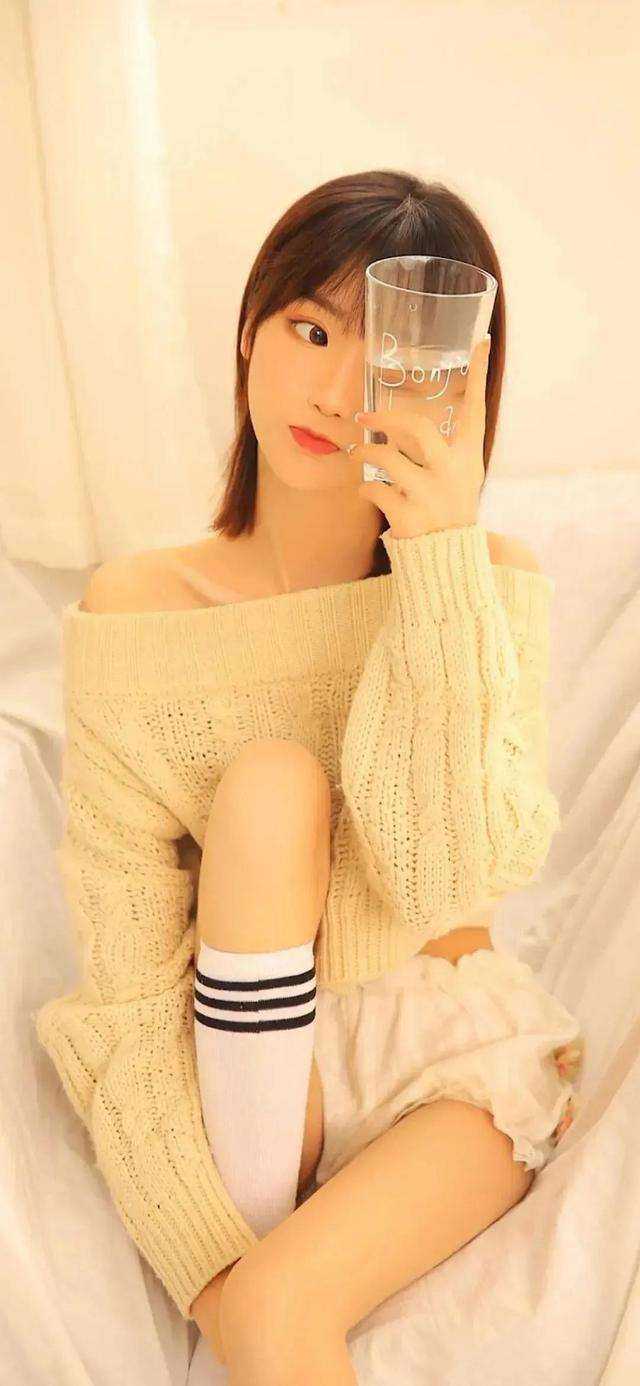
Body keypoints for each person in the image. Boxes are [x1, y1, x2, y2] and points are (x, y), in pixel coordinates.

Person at [34, 170, 584, 1380]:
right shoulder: (137, 608)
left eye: (388, 355)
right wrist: (209, 1260)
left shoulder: (487, 580)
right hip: (241, 1061)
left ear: (456, 382)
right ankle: (263, 1252)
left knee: (284, 1311)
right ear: (249, 332)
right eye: (311, 330)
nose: (336, 391)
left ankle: (272, 1285)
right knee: (271, 786)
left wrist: (437, 559)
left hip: (440, 1051)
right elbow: (127, 971)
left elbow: (444, 873)